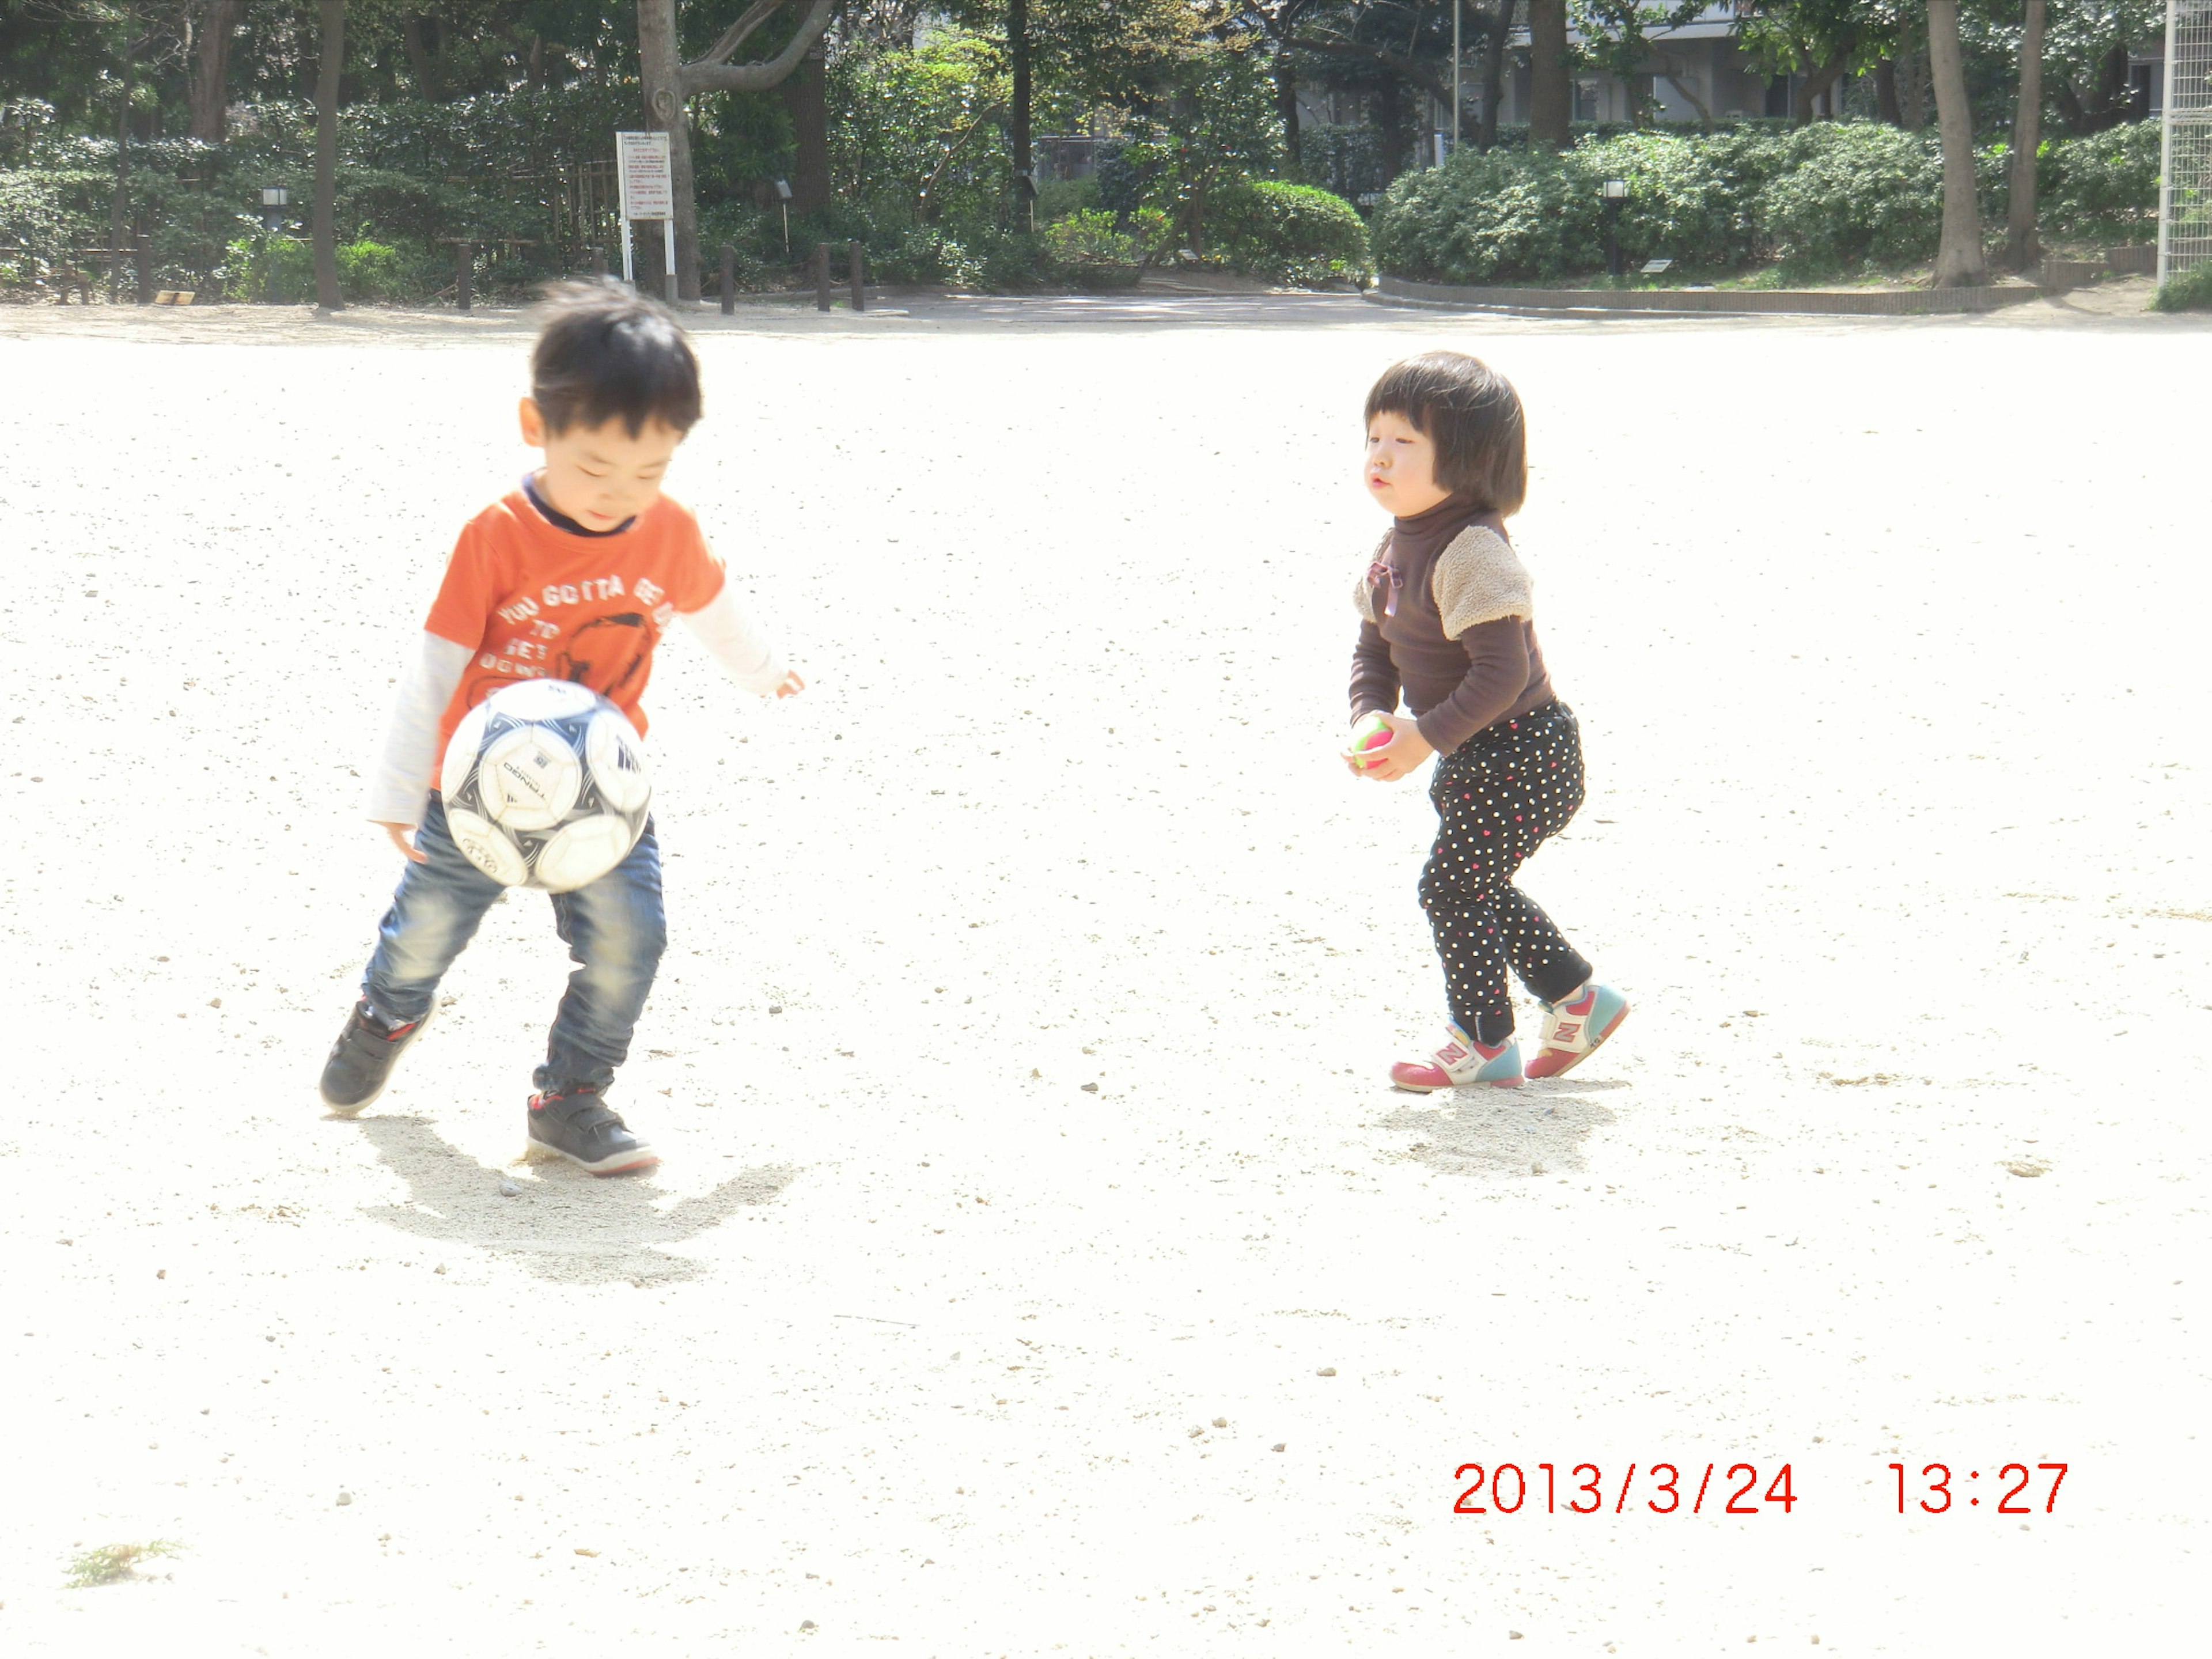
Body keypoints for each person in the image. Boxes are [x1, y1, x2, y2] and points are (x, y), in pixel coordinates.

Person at [317, 282, 802, 1172]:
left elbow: (713, 606)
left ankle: (571, 1098)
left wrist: (765, 671)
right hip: (474, 794)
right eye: (595, 470)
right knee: (425, 930)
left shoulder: (667, 530)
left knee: (631, 939)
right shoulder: (495, 536)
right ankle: (386, 1013)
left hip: (603, 795)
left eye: (650, 472)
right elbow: (433, 669)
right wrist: (398, 789)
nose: (621, 496)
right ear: (535, 427)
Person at [1344, 351, 1626, 1092]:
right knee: (1476, 886)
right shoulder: (1394, 545)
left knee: (1451, 889)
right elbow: (1375, 646)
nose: (1380, 455)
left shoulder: (1471, 548)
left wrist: (1424, 736)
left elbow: (1502, 673)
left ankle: (1484, 1041)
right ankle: (1578, 1002)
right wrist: (1373, 717)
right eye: (1374, 437)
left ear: (1468, 460)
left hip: (1526, 753)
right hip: (1475, 756)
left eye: (1404, 442)